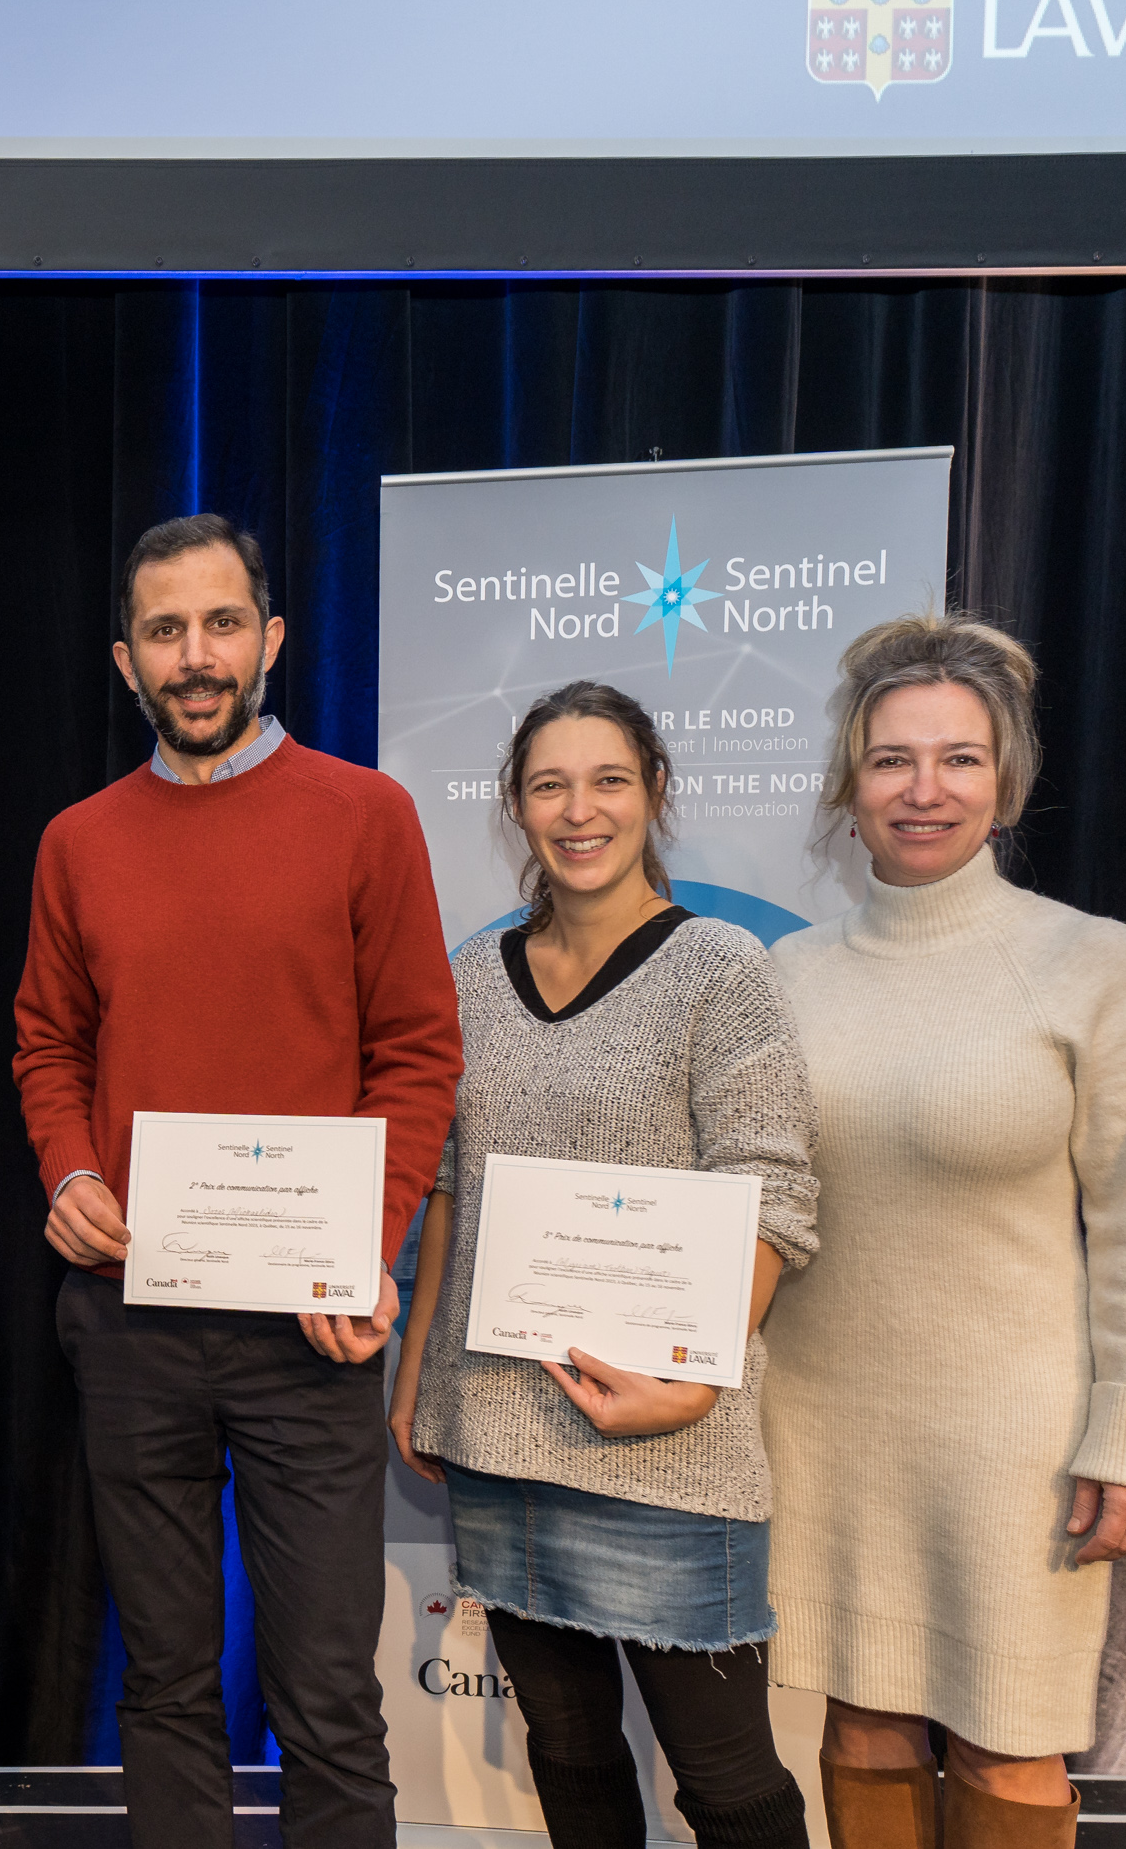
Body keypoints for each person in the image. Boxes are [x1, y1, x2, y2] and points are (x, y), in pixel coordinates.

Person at [12, 514, 465, 1848]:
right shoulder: (78, 840)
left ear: (270, 639)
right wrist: (70, 1164)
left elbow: (418, 1052)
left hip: (308, 1326)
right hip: (129, 1315)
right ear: (124, 659)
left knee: (327, 1689)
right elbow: (48, 1038)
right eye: (165, 630)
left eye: (221, 624)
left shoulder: (365, 814)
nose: (194, 656)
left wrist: (367, 1248)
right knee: (163, 1683)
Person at [764, 616, 1126, 1849]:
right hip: (820, 1426)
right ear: (847, 784)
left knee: (1010, 1744)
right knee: (857, 1730)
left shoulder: (1092, 966)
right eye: (891, 760)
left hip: (1020, 1448)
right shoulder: (784, 977)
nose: (924, 791)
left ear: (1005, 781)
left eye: (958, 759)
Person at [386, 681, 817, 1849]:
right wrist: (419, 1371)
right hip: (501, 1431)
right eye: (549, 784)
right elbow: (444, 1189)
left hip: (673, 1443)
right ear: (517, 808)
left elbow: (773, 1189)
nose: (580, 810)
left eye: (609, 780)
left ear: (655, 793)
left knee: (728, 1784)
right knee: (569, 1759)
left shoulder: (719, 969)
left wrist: (692, 1378)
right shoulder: (473, 976)